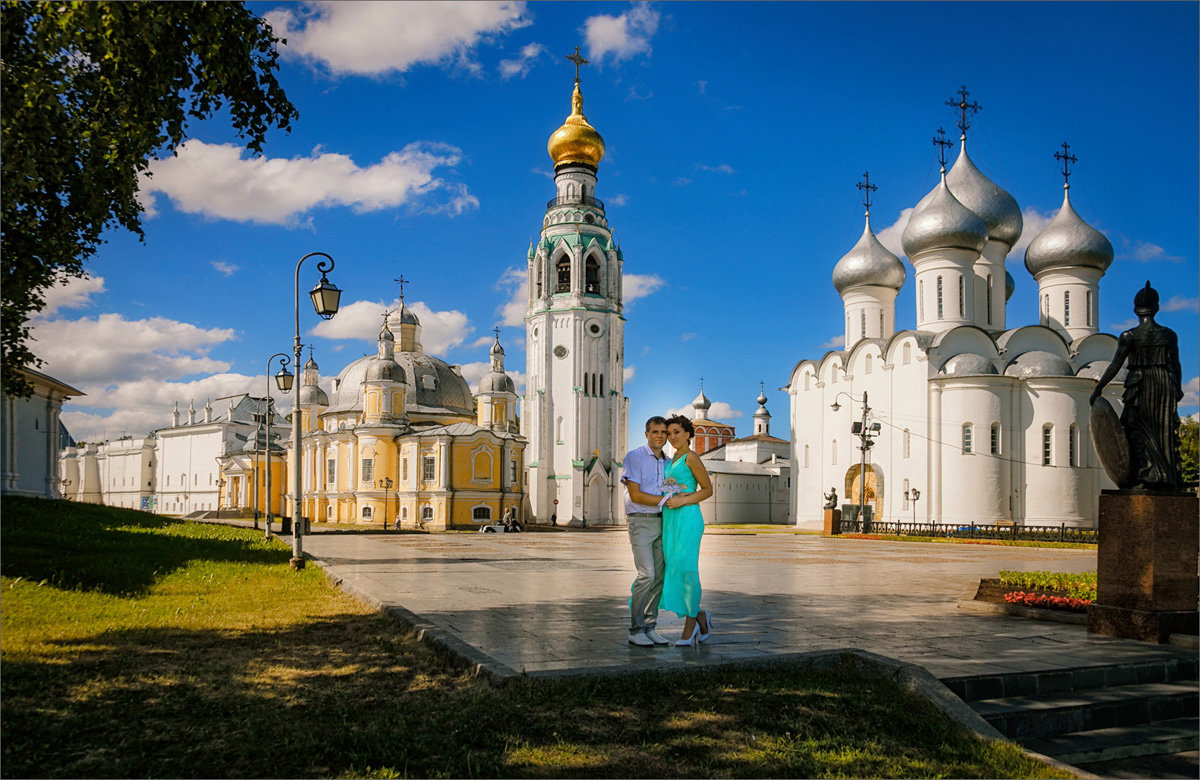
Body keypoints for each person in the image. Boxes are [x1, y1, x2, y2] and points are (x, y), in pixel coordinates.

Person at [1090, 282, 1184, 491]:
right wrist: (1177, 388)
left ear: (1135, 310)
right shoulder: (1169, 335)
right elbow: (1175, 364)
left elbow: (1115, 364)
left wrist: (1099, 387)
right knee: (1163, 430)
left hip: (1140, 384)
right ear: (1157, 308)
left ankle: (1144, 476)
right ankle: (1167, 478)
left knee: (1137, 429)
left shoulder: (1129, 336)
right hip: (1164, 383)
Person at [659, 415, 715, 646]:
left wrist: (683, 501)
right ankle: (701, 616)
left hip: (688, 518)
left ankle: (690, 625)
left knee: (687, 569)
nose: (672, 437)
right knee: (676, 569)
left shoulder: (691, 458)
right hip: (670, 520)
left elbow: (708, 490)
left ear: (688, 434)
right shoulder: (672, 460)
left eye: (677, 432)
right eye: (669, 433)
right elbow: (672, 488)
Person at [620, 416, 672, 647]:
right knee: (646, 575)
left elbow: (672, 491)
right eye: (655, 432)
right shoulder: (635, 457)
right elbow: (636, 495)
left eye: (663, 432)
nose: (659, 436)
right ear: (647, 434)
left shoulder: (668, 462)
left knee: (660, 578)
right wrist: (666, 500)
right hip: (640, 522)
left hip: (663, 522)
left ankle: (650, 627)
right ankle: (635, 629)